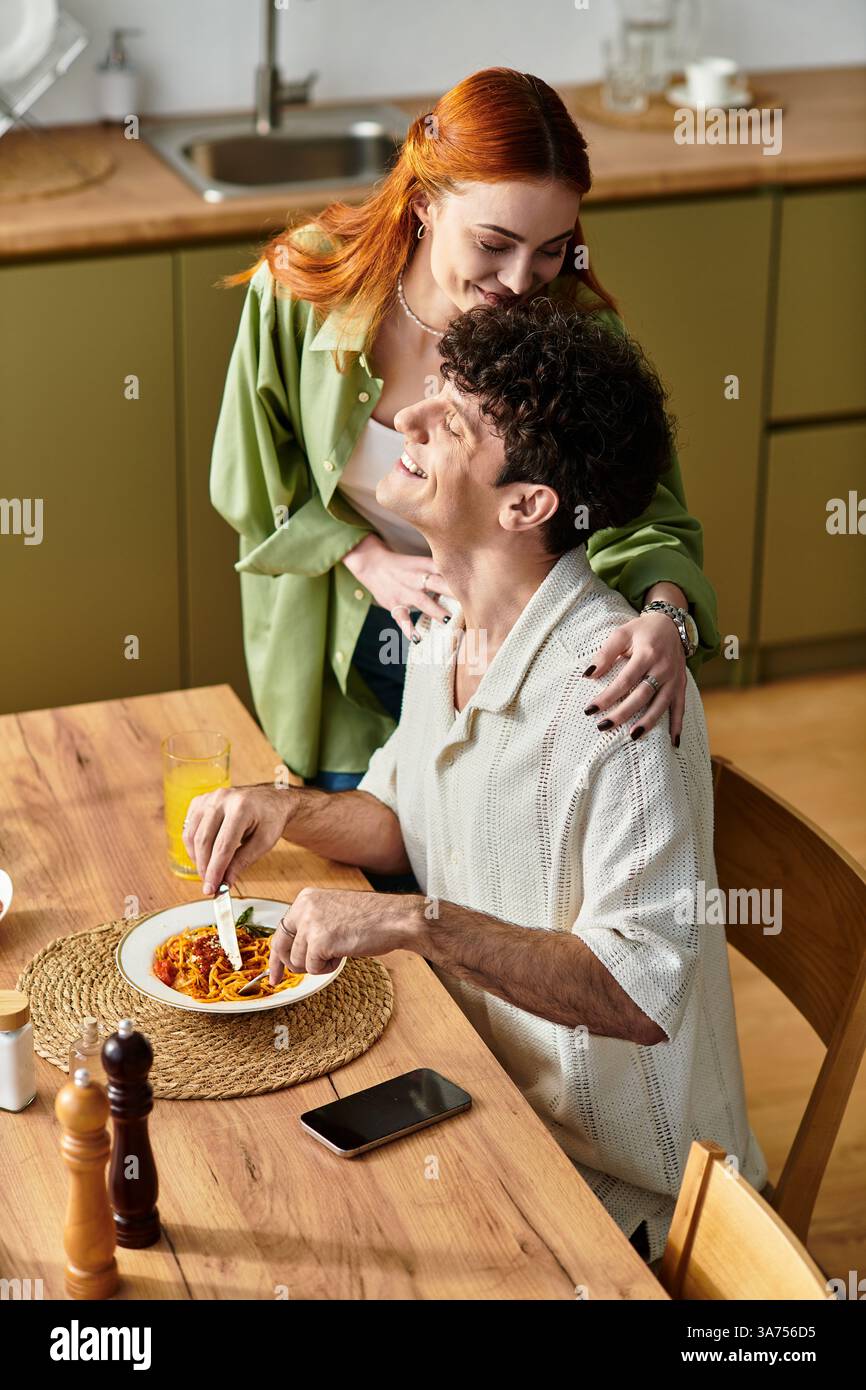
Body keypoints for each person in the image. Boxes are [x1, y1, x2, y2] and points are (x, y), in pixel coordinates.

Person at [188, 298, 766, 1264]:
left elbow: (638, 991)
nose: (404, 423)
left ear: (527, 505)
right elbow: (403, 818)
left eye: (447, 422)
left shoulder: (616, 702)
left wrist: (414, 924)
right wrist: (281, 808)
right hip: (477, 1091)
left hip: (620, 1202)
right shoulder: (447, 620)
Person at [210, 67, 716, 791]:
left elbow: (644, 513)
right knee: (353, 830)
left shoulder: (572, 329)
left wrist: (669, 615)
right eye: (494, 243)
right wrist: (364, 557)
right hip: (338, 628)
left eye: (550, 249)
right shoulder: (302, 289)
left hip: (503, 650)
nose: (519, 280)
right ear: (424, 205)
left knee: (476, 853)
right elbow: (251, 471)